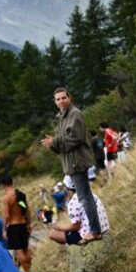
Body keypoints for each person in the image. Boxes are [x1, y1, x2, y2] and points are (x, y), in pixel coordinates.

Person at [41, 87, 102, 241]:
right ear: (55, 102)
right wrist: (53, 144)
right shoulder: (62, 117)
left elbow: (75, 138)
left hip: (77, 161)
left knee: (84, 197)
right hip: (71, 162)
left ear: (70, 98)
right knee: (84, 196)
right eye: (58, 99)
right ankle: (93, 229)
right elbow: (63, 143)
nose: (61, 101)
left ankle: (95, 231)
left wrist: (55, 141)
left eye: (63, 98)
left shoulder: (75, 114)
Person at [48, 175, 110, 246]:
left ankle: (72, 244)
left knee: (52, 234)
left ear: (67, 188)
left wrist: (61, 228)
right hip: (104, 228)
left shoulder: (73, 202)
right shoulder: (92, 194)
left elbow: (76, 227)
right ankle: (69, 241)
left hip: (87, 233)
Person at [0, 174, 33, 272]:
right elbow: (27, 211)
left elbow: (6, 215)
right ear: (12, 182)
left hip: (14, 227)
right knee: (26, 248)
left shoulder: (6, 198)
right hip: (23, 224)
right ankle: (30, 271)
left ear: (3, 185)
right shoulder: (21, 195)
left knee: (19, 252)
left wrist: (4, 229)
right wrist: (28, 224)